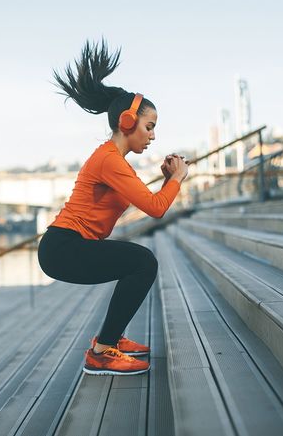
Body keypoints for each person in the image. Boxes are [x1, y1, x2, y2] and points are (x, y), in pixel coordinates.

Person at [37, 39, 188, 376]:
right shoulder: (109, 160)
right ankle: (102, 352)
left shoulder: (114, 161)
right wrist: (178, 178)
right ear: (127, 122)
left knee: (136, 263)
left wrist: (167, 181)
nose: (152, 137)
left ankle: (109, 341)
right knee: (142, 262)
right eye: (149, 127)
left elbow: (149, 200)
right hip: (63, 247)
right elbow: (155, 208)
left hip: (68, 245)